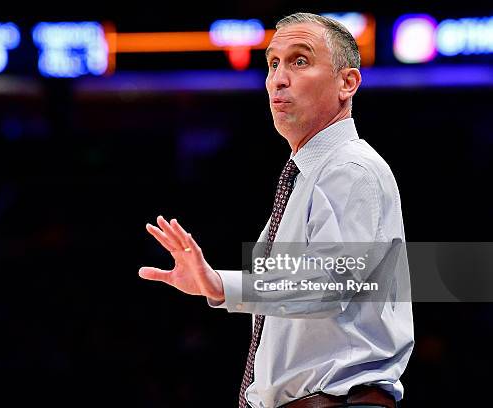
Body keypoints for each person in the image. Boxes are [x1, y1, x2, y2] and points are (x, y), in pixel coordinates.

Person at [139, 12, 414, 408]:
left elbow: (329, 285)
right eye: (273, 63)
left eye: (300, 61)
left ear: (347, 83)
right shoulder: (307, 176)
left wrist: (220, 285)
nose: (278, 78)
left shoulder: (350, 169)